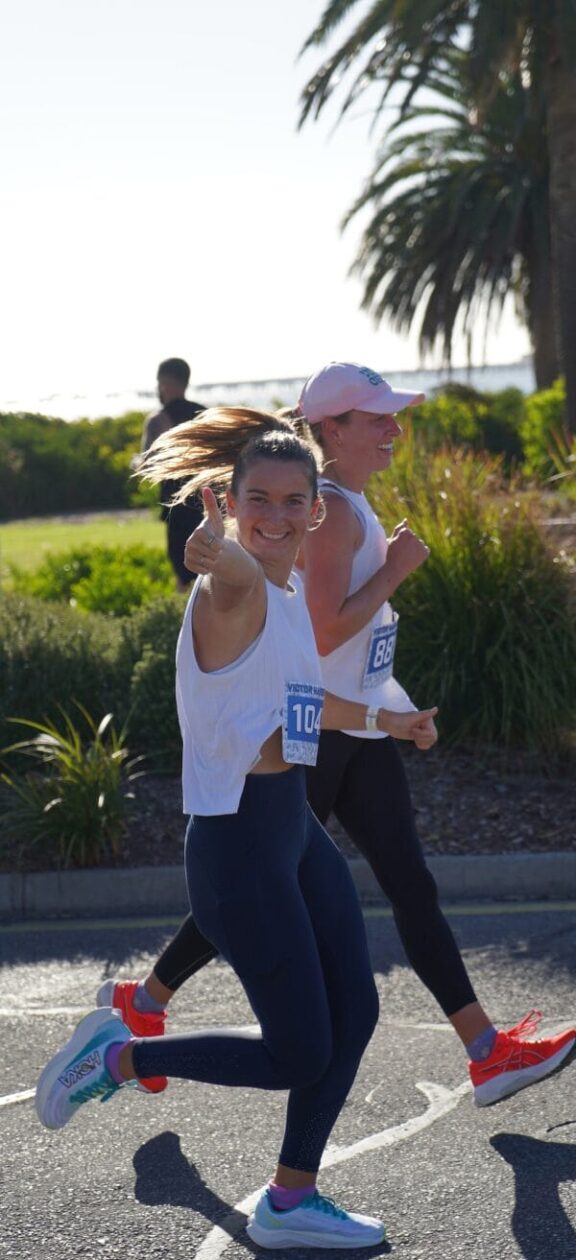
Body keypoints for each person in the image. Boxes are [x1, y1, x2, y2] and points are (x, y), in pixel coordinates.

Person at [99, 363, 576, 1109]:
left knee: (390, 888)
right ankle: (142, 1014)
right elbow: (309, 621)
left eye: (392, 417)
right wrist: (391, 574)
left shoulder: (340, 506)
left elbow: (317, 639)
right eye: (374, 418)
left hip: (341, 724)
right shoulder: (336, 516)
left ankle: (483, 1051)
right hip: (308, 731)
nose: (393, 428)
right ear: (330, 431)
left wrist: (389, 713)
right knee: (266, 886)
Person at [36, 408, 440, 1250]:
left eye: (296, 501)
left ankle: (290, 1200)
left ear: (316, 510)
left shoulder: (289, 593)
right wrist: (217, 552)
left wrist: (385, 721)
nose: (279, 516)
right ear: (228, 498)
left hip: (290, 829)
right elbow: (227, 578)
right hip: (238, 853)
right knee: (297, 1052)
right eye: (260, 499)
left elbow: (296, 700)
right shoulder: (239, 586)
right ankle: (119, 1057)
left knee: (355, 1011)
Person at [141, 357, 205, 591]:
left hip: (177, 508)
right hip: (208, 506)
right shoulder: (205, 415)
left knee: (182, 575)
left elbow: (147, 466)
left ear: (165, 383)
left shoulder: (158, 420)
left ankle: (183, 622)